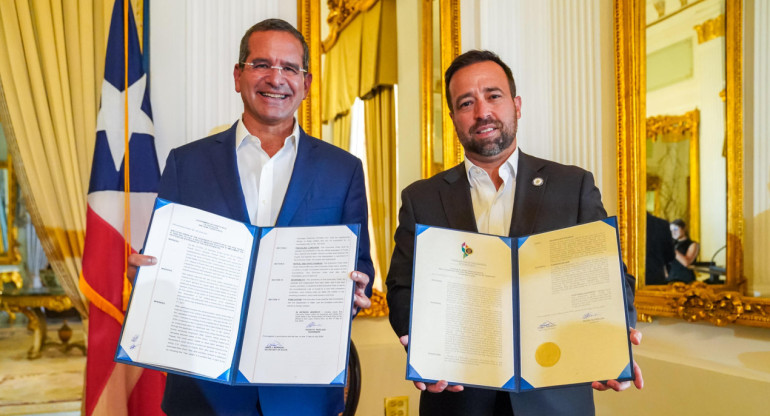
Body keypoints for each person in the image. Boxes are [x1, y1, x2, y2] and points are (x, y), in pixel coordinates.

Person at [128, 19, 374, 416]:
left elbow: (359, 265)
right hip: (203, 392)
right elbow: (162, 259)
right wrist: (145, 276)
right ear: (239, 76)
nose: (276, 78)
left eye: (289, 68)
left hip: (302, 394)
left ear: (306, 84)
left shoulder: (343, 169)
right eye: (261, 64)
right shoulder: (186, 163)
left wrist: (357, 288)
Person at [385, 50, 643, 416]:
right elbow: (401, 289)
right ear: (453, 117)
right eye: (466, 102)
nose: (482, 112)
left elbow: (609, 275)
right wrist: (420, 344)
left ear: (516, 105)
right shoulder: (421, 198)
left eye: (493, 95)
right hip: (457, 399)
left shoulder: (573, 186)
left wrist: (616, 339)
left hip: (555, 397)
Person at [645, 212, 675, 285]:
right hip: (655, 276)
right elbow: (670, 255)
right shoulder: (662, 224)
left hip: (626, 278)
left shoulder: (623, 223)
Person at [667, 218, 699, 283]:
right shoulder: (672, 243)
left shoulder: (693, 244)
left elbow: (686, 263)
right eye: (671, 230)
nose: (673, 232)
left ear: (684, 229)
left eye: (675, 229)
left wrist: (672, 249)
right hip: (671, 279)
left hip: (685, 280)